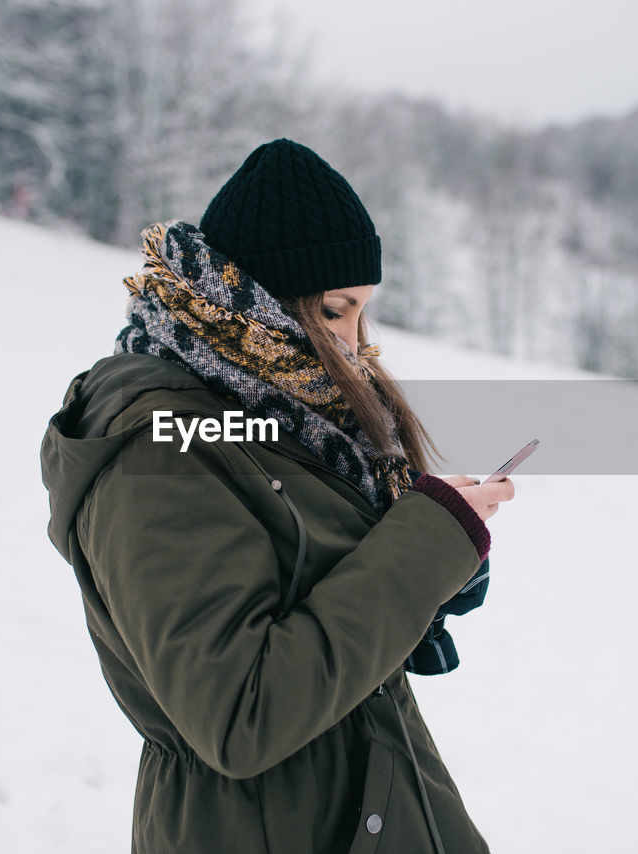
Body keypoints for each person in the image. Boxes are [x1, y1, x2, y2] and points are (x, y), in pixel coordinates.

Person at [41, 138, 515, 853]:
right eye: (334, 310)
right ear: (261, 306)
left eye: (364, 312)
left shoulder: (282, 414)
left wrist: (442, 559)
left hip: (366, 805)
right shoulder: (161, 449)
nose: (357, 343)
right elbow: (241, 712)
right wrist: (422, 545)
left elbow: (319, 595)